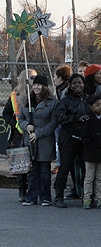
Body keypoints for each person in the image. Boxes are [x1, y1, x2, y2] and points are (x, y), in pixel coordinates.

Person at [19, 75, 58, 206]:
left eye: (39, 85)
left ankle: (45, 196)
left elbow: (53, 123)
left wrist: (38, 133)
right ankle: (31, 196)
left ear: (45, 87)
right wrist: (26, 126)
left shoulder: (52, 102)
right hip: (29, 140)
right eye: (34, 84)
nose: (36, 87)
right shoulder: (26, 100)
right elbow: (20, 119)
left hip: (44, 141)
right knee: (32, 171)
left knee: (44, 170)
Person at [53, 74, 89, 208]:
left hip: (84, 138)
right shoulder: (66, 101)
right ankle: (58, 196)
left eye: (80, 83)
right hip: (69, 137)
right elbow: (60, 118)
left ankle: (87, 196)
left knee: (86, 168)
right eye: (74, 83)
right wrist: (76, 118)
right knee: (65, 167)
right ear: (70, 85)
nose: (77, 85)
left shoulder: (88, 99)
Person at [4, 69, 36, 202]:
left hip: (32, 131)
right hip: (19, 132)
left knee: (33, 162)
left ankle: (32, 189)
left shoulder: (36, 94)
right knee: (20, 162)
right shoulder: (14, 95)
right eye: (32, 77)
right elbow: (6, 113)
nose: (35, 80)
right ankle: (22, 190)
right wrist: (15, 124)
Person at [80, 95, 101, 209]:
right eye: (97, 105)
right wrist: (90, 147)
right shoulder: (87, 120)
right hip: (91, 153)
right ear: (91, 107)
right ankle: (87, 199)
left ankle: (99, 198)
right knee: (89, 177)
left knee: (99, 177)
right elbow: (85, 137)